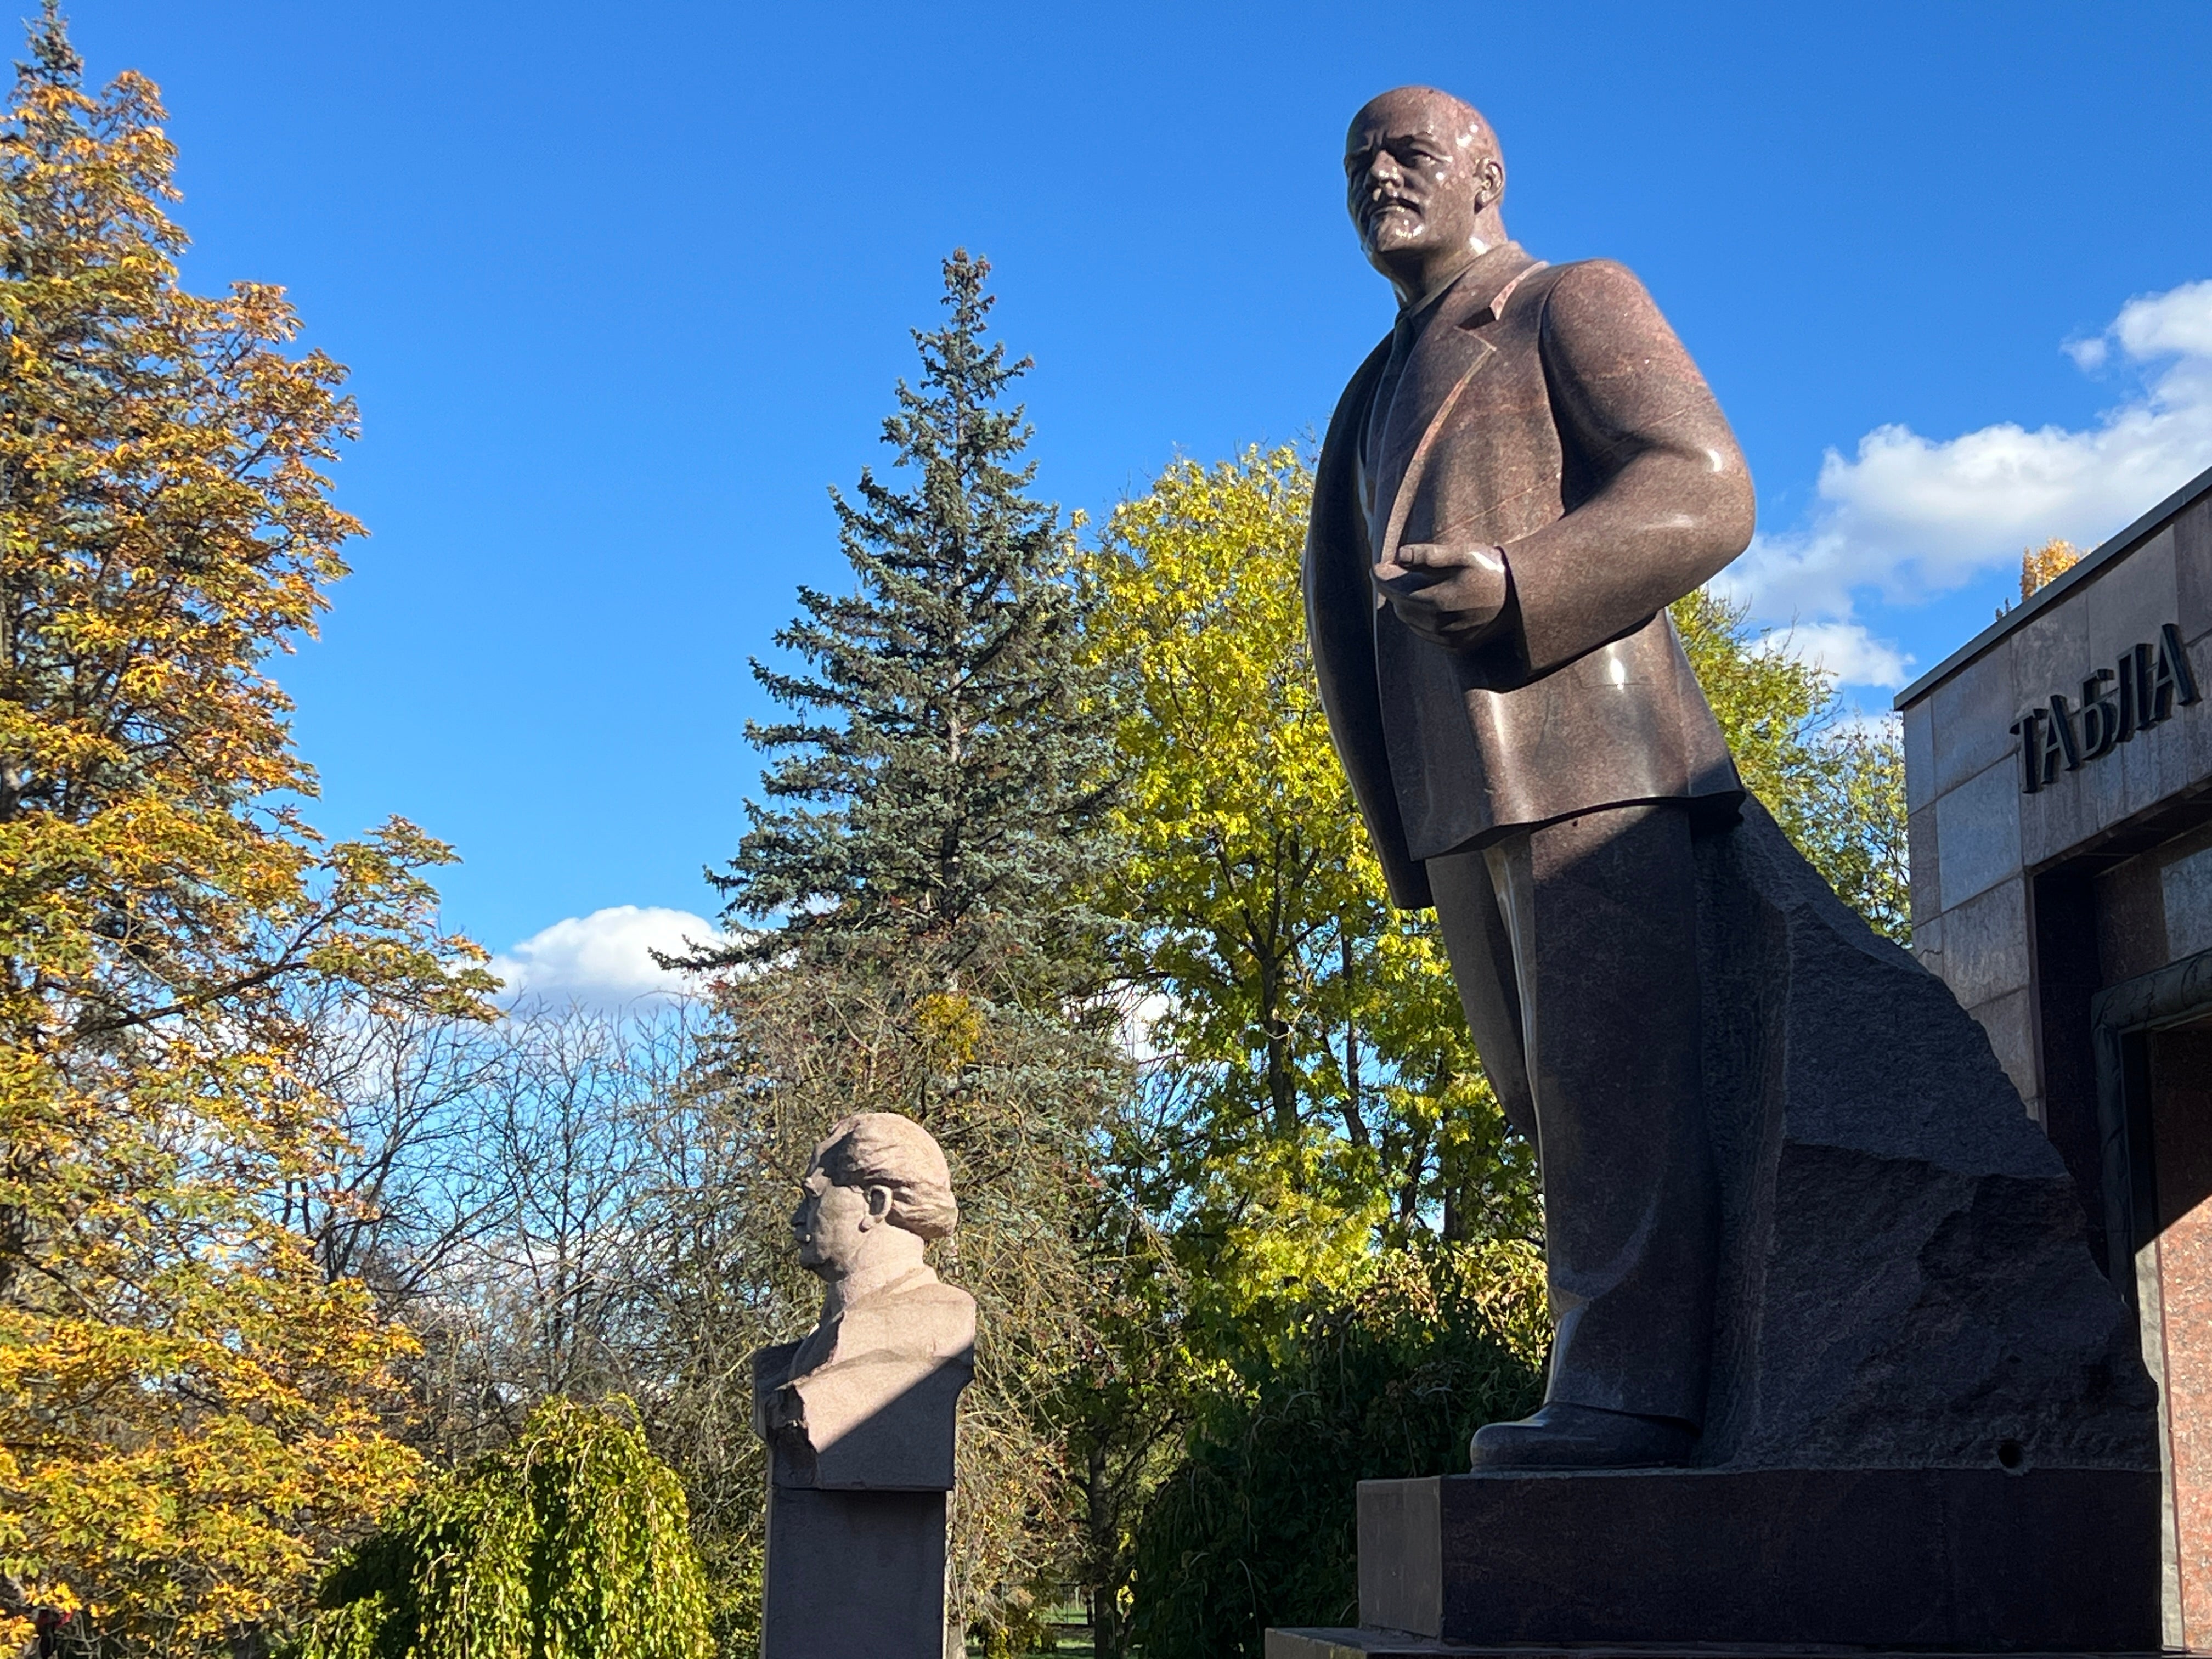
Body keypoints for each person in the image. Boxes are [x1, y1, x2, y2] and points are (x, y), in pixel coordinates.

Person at [1307, 85, 1756, 1468]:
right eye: (1357, 163)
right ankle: (1615, 1375)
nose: (1378, 177)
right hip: (1454, 795)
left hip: (1587, 758)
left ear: (1487, 173)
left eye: (1407, 152)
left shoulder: (1572, 298)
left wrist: (1519, 582)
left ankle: (1628, 1399)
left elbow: (1707, 485)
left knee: (1612, 1085)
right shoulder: (1372, 383)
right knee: (1545, 1102)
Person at [752, 1111, 975, 1488]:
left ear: (875, 1204)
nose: (796, 1219)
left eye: (813, 1199)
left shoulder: (934, 1322)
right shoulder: (788, 1361)